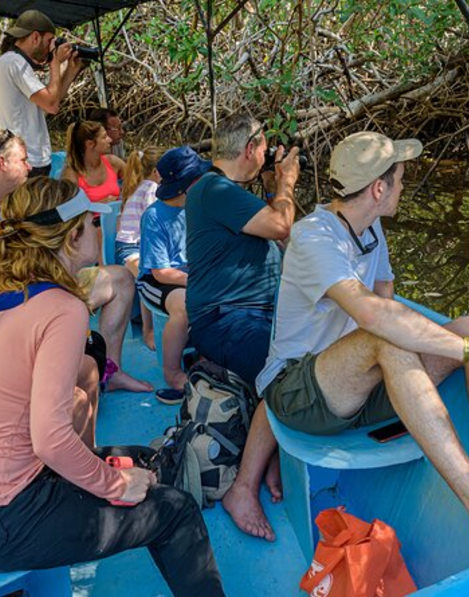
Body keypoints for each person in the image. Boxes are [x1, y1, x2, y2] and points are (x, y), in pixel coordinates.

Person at [0, 178, 227, 596]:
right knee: (175, 512)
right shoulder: (63, 308)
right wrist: (115, 486)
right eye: (93, 223)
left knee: (150, 461)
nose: (98, 231)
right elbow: (52, 439)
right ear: (72, 237)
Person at [257, 130, 469, 555]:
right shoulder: (314, 235)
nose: (404, 186)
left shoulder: (371, 231)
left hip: (363, 388)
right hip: (301, 392)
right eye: (401, 178)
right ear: (378, 188)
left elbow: (388, 305)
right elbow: (375, 316)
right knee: (390, 338)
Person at [185, 114, 300, 541]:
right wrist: (286, 183)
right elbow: (282, 225)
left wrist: (274, 188)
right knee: (282, 373)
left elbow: (286, 237)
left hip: (255, 316)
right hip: (225, 319)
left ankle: (271, 457)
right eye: (265, 147)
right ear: (250, 148)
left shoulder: (229, 193)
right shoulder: (214, 189)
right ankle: (242, 489)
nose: (268, 154)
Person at [0, 130, 152, 393]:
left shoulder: (31, 195)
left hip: (55, 279)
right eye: (23, 160)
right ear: (2, 163)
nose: (30, 167)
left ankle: (110, 371)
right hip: (15, 300)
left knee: (120, 278)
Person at [138, 147, 209, 392]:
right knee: (184, 306)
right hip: (155, 279)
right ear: (184, 186)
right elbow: (160, 272)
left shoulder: (195, 207)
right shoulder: (154, 216)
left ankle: (204, 355)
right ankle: (172, 371)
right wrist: (199, 281)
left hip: (190, 273)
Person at [0, 9, 82, 177]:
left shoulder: (14, 62)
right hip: (24, 160)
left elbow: (51, 101)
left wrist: (72, 70)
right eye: (49, 40)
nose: (50, 47)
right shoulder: (14, 62)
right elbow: (51, 105)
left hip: (31, 157)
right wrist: (54, 62)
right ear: (35, 37)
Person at [116, 147, 164, 350]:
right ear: (156, 172)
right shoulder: (152, 188)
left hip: (133, 246)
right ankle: (148, 330)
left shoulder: (142, 186)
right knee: (148, 275)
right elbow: (153, 226)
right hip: (130, 249)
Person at [61, 120, 125, 204]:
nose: (109, 140)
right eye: (104, 137)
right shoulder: (72, 173)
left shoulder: (113, 162)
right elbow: (68, 208)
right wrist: (99, 204)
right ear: (90, 144)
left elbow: (137, 181)